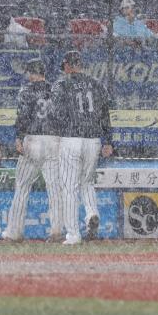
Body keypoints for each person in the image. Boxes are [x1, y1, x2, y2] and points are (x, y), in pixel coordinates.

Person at [51, 51, 112, 245]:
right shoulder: (96, 83)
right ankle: (92, 213)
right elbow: (105, 113)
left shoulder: (62, 84)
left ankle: (73, 234)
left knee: (69, 187)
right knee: (87, 182)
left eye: (65, 67)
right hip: (93, 140)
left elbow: (57, 113)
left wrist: (59, 133)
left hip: (71, 138)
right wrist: (108, 140)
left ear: (68, 65)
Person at [3, 59, 63, 243]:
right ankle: (56, 231)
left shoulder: (26, 90)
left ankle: (14, 232)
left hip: (32, 139)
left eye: (29, 72)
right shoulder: (56, 90)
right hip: (53, 140)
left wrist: (19, 137)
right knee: (55, 189)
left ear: (31, 73)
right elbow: (62, 117)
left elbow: (23, 115)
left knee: (22, 187)